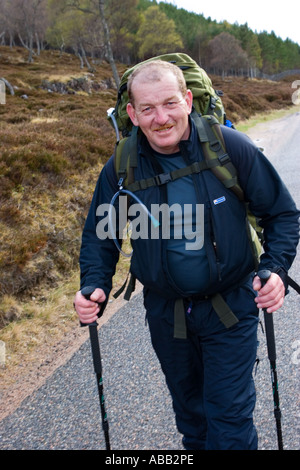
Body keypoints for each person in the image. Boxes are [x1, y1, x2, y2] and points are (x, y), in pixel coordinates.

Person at [74, 60, 300, 450]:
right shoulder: (122, 167)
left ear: (189, 100)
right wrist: (93, 284)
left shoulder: (230, 149)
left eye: (170, 104)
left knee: (228, 422)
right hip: (166, 316)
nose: (161, 118)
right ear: (132, 113)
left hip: (231, 308)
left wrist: (275, 269)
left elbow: (281, 214)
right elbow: (101, 237)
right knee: (193, 421)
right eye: (147, 108)